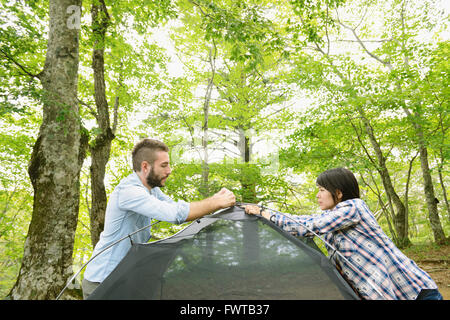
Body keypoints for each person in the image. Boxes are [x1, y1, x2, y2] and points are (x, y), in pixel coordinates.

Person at [245, 167, 442, 300]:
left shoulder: (353, 207)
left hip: (416, 292)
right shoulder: (334, 220)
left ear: (338, 193)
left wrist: (265, 212)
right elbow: (306, 225)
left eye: (322, 189)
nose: (317, 195)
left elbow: (309, 225)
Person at [82, 138, 235, 299]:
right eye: (164, 165)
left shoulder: (150, 190)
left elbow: (177, 208)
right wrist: (216, 202)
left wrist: (215, 200)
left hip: (123, 279)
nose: (169, 170)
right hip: (103, 282)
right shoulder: (129, 192)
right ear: (145, 167)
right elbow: (176, 215)